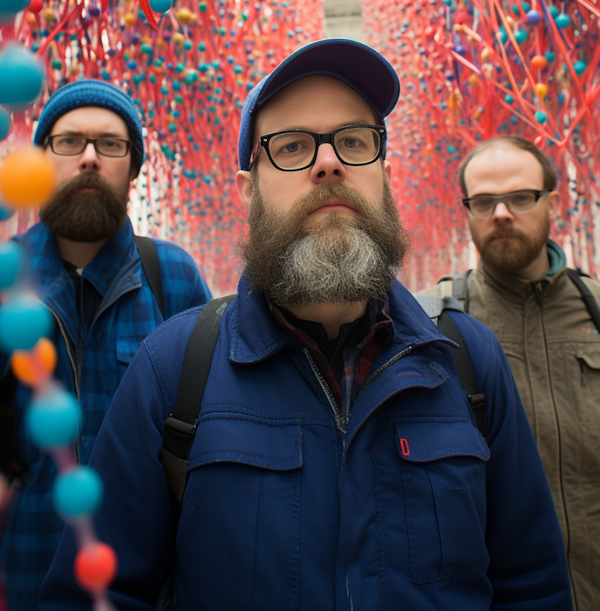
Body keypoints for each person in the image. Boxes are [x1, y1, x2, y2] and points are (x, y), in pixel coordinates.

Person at [40, 41, 570, 611]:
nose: (329, 162)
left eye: (353, 141)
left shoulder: (465, 362)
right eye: (292, 146)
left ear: (382, 173)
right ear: (250, 192)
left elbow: (531, 583)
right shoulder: (173, 369)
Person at [0, 79, 212, 610]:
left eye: (110, 144)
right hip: (25, 573)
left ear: (134, 169)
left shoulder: (174, 276)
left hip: (150, 586)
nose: (89, 158)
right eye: (69, 142)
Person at [422, 135, 600, 611]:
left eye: (521, 197)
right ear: (467, 210)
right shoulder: (432, 329)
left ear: (553, 203)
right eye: (483, 201)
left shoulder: (596, 312)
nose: (501, 213)